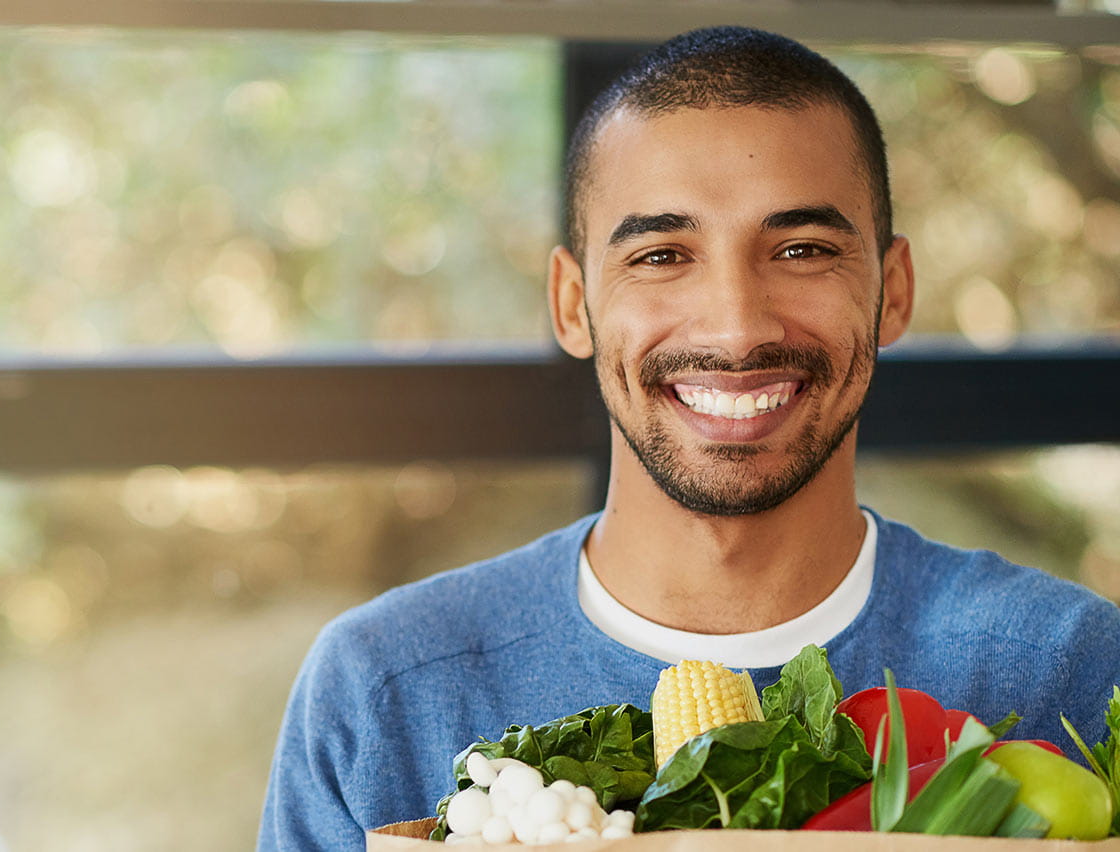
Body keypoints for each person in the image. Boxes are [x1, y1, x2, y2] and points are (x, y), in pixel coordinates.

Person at [258, 25, 1120, 850]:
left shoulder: (1066, 672)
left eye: (803, 249)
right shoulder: (385, 694)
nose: (738, 329)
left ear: (892, 291)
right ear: (572, 304)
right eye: (662, 255)